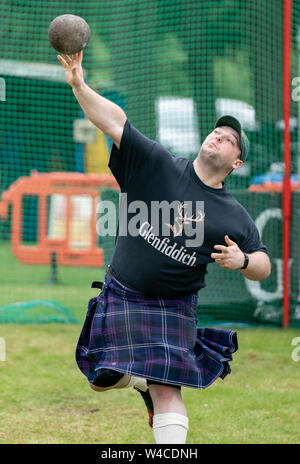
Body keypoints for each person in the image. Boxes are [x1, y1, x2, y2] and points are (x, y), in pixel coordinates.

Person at [58, 51, 271, 444]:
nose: (218, 137)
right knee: (100, 379)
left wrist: (243, 260)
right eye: (216, 132)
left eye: (229, 140)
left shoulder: (234, 215)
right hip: (123, 293)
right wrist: (79, 85)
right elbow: (114, 121)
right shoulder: (156, 163)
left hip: (174, 306)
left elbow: (263, 265)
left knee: (168, 388)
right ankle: (138, 377)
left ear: (236, 162)